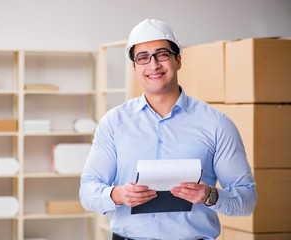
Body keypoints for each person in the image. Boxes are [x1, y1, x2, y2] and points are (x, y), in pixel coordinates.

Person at [79, 19, 257, 240]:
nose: (153, 65)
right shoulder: (114, 122)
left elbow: (247, 199)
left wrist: (211, 196)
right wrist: (118, 194)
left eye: (162, 54)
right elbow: (87, 191)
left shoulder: (217, 124)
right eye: (143, 58)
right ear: (134, 67)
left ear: (178, 60)